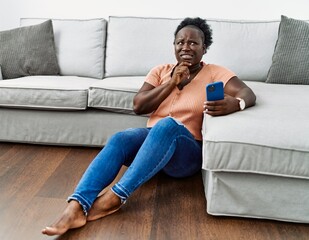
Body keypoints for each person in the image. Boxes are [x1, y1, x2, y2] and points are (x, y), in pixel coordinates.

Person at [42, 17, 256, 236]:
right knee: (120, 138)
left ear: (204, 47)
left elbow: (247, 93)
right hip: (151, 147)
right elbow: (138, 105)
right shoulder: (161, 71)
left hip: (186, 153)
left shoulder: (215, 72)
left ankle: (115, 197)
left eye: (193, 43)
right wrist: (171, 82)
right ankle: (76, 206)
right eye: (180, 42)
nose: (185, 47)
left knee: (167, 125)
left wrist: (236, 103)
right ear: (174, 46)